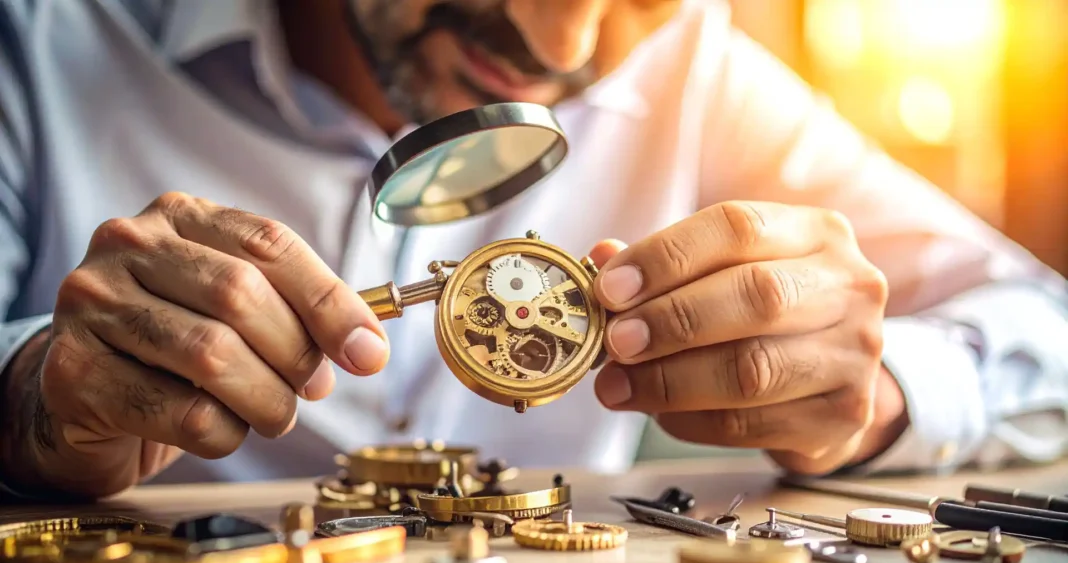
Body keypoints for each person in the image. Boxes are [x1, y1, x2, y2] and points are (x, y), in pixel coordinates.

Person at [0, 0, 1064, 501]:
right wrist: (32, 403)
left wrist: (876, 392)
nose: (558, 48)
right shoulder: (42, 41)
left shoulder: (696, 71)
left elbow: (1046, 323)